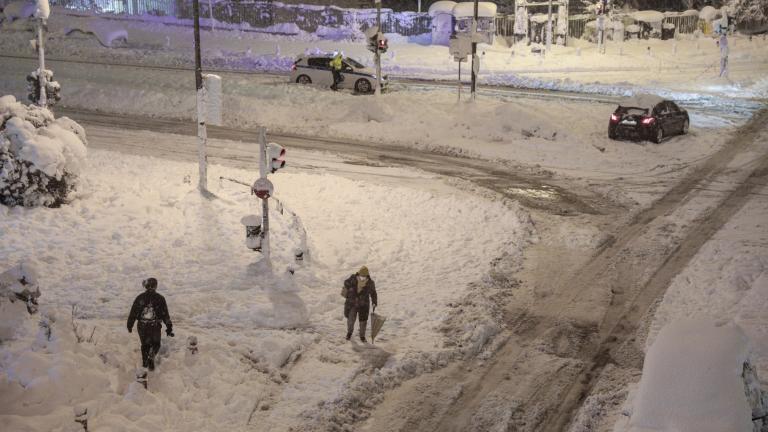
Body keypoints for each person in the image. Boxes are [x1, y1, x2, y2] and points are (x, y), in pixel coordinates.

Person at [127, 277, 173, 371]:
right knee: (156, 344)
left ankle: (145, 364)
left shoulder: (140, 298)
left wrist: (130, 325)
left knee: (145, 345)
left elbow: (133, 312)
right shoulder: (160, 298)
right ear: (155, 286)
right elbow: (165, 314)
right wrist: (169, 327)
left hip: (142, 325)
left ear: (146, 286)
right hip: (154, 326)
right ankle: (151, 356)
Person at [341, 266, 377, 342]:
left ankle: (362, 336)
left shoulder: (370, 283)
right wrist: (349, 287)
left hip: (363, 305)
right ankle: (349, 333)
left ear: (367, 275)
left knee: (363, 322)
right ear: (359, 274)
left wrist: (374, 302)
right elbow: (345, 282)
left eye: (364, 276)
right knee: (350, 320)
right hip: (352, 304)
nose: (362, 277)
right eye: (361, 275)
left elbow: (373, 293)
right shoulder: (353, 278)